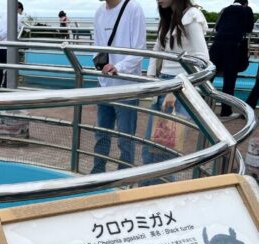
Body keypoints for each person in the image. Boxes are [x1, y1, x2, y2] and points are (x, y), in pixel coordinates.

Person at [142, 0, 209, 167]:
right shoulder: (169, 17)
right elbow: (157, 49)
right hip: (163, 84)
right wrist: (151, 78)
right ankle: (148, 189)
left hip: (177, 88)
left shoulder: (191, 16)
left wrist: (177, 87)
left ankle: (160, 190)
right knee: (151, 146)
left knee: (165, 150)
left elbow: (202, 59)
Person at [91, 0, 147, 174]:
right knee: (101, 133)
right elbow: (97, 46)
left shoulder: (133, 8)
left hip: (127, 86)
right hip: (105, 84)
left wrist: (119, 67)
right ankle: (98, 174)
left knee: (125, 137)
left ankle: (124, 177)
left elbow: (140, 49)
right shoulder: (99, 12)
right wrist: (101, 65)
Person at [210, 0, 254, 117]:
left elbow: (218, 27)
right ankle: (226, 111)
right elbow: (249, 28)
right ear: (245, 3)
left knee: (209, 78)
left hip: (217, 46)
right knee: (229, 80)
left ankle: (202, 107)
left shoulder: (225, 9)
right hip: (233, 48)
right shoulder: (247, 10)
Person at [0, 2, 24, 88]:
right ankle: (6, 86)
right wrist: (0, 37)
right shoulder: (18, 16)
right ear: (19, 9)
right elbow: (10, 29)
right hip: (9, 47)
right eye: (21, 11)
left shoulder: (3, 16)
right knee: (11, 68)